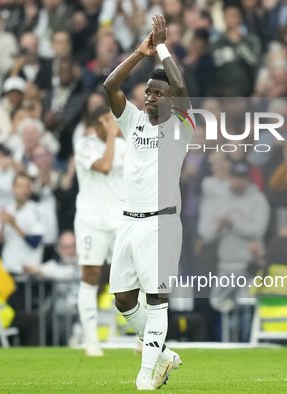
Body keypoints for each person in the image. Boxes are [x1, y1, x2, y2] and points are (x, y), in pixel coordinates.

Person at [103, 15, 189, 390]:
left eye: (157, 92)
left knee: (157, 300)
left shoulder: (181, 126)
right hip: (129, 221)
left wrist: (164, 46)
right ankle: (164, 355)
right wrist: (141, 52)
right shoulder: (133, 121)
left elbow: (182, 84)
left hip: (161, 222)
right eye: (148, 91)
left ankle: (146, 373)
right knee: (123, 300)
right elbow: (110, 84)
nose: (149, 96)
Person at [72, 104, 125, 356]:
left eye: (113, 119)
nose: (112, 123)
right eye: (106, 120)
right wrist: (113, 136)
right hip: (91, 221)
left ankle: (143, 340)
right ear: (95, 126)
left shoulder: (126, 147)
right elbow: (104, 166)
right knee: (91, 275)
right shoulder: (84, 145)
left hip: (121, 221)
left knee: (134, 277)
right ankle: (91, 341)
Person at [198, 161, 270, 311]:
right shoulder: (220, 200)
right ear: (230, 177)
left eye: (243, 177)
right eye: (236, 177)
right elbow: (206, 234)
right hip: (226, 264)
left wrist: (232, 224)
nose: (239, 182)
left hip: (249, 264)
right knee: (216, 302)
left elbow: (258, 231)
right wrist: (218, 228)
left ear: (248, 179)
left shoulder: (258, 199)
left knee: (247, 307)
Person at [0, 173, 44, 274]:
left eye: (27, 187)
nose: (24, 191)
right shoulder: (6, 209)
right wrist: (3, 224)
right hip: (7, 267)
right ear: (13, 188)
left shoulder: (36, 210)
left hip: (27, 270)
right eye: (20, 186)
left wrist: (14, 225)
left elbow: (35, 242)